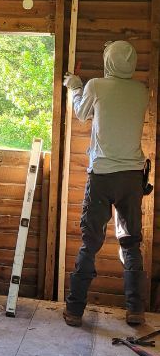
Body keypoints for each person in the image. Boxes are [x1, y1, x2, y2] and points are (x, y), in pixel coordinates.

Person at [63, 40, 149, 329]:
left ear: (108, 60)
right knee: (131, 243)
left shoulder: (96, 86)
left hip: (102, 177)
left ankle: (74, 311)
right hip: (132, 179)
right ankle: (135, 311)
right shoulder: (141, 91)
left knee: (90, 244)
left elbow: (81, 113)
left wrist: (74, 86)